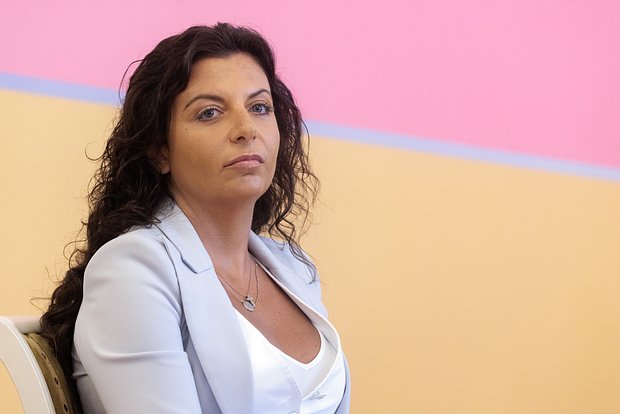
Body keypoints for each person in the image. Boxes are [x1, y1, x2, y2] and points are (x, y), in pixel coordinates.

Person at [40, 23, 350, 413]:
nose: (246, 129)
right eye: (209, 113)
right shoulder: (132, 270)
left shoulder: (294, 267)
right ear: (160, 150)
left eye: (259, 107)